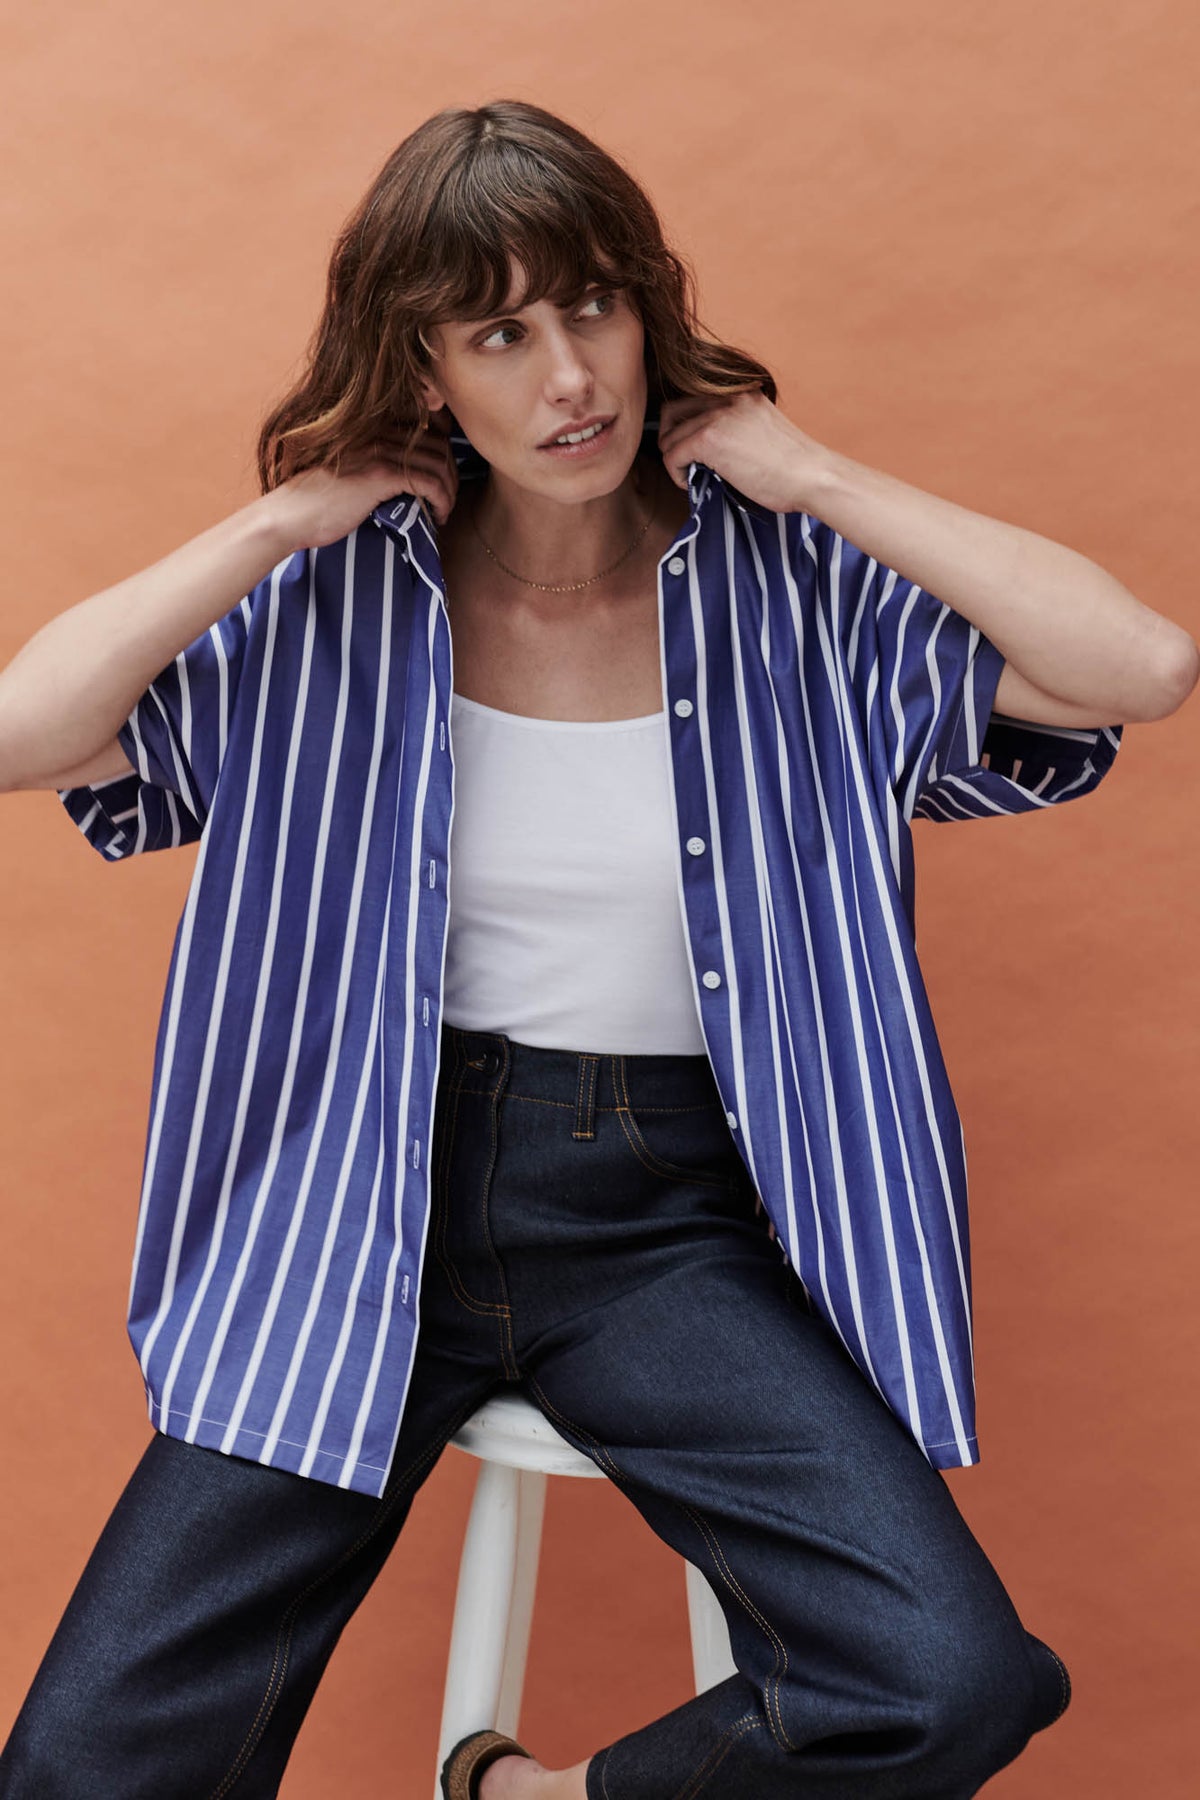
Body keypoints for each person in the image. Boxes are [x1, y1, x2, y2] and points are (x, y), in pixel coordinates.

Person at [0, 97, 1194, 1800]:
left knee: (948, 1682)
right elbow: (23, 733)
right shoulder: (332, 603)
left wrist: (811, 471)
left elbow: (1139, 668)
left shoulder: (790, 592)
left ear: (648, 312)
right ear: (423, 372)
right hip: (364, 1201)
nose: (569, 376)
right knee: (82, 1768)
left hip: (664, 1222)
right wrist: (276, 524)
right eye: (499, 330)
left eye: (593, 307)